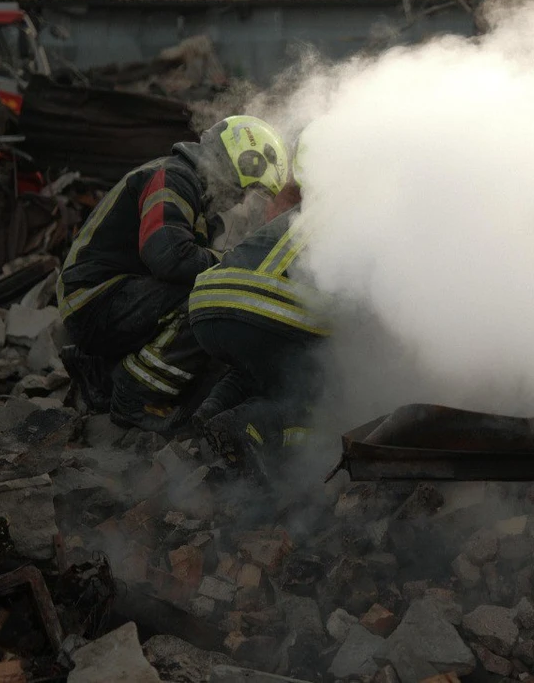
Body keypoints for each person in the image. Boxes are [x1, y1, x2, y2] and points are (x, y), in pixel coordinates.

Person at [57, 115, 289, 433]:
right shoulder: (174, 177)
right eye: (242, 188)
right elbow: (169, 257)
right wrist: (228, 265)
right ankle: (134, 398)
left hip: (104, 298)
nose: (239, 199)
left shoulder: (193, 195)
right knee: (206, 300)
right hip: (93, 299)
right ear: (230, 164)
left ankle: (100, 374)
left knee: (207, 307)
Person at [187, 145, 331, 482]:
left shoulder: (308, 212)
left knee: (260, 364)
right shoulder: (362, 223)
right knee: (314, 397)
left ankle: (210, 413)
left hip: (208, 300)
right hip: (261, 303)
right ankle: (246, 426)